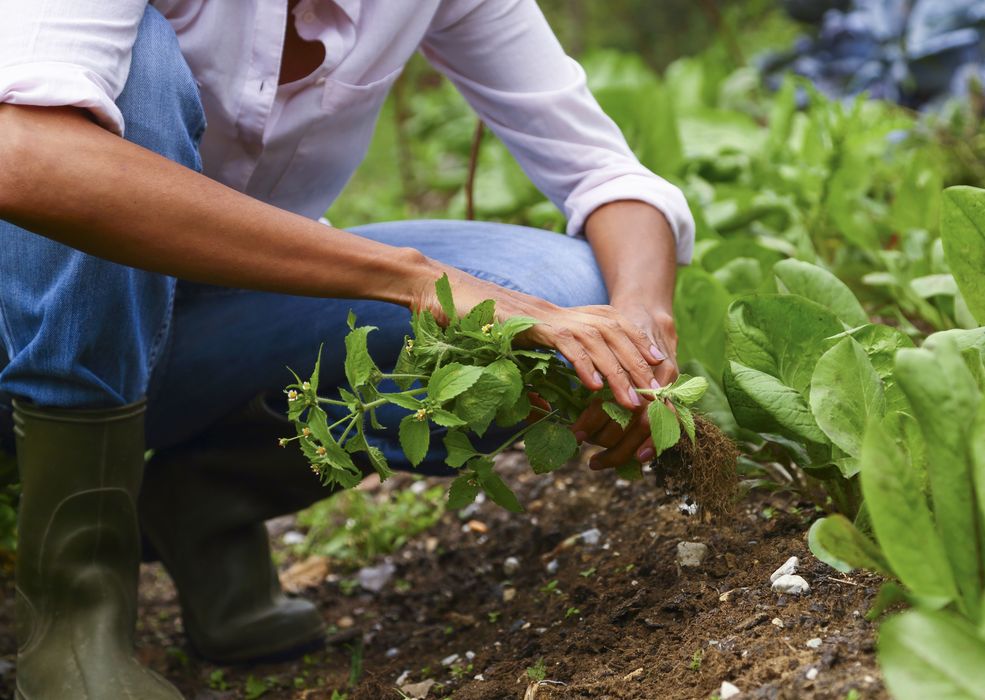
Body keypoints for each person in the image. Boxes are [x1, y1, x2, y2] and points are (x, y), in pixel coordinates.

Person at [0, 1, 693, 697]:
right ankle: (72, 616)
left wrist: (639, 327)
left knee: (560, 291)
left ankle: (201, 508)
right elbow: (26, 157)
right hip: (25, 338)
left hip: (202, 331)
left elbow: (602, 174)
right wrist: (416, 280)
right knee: (136, 67)